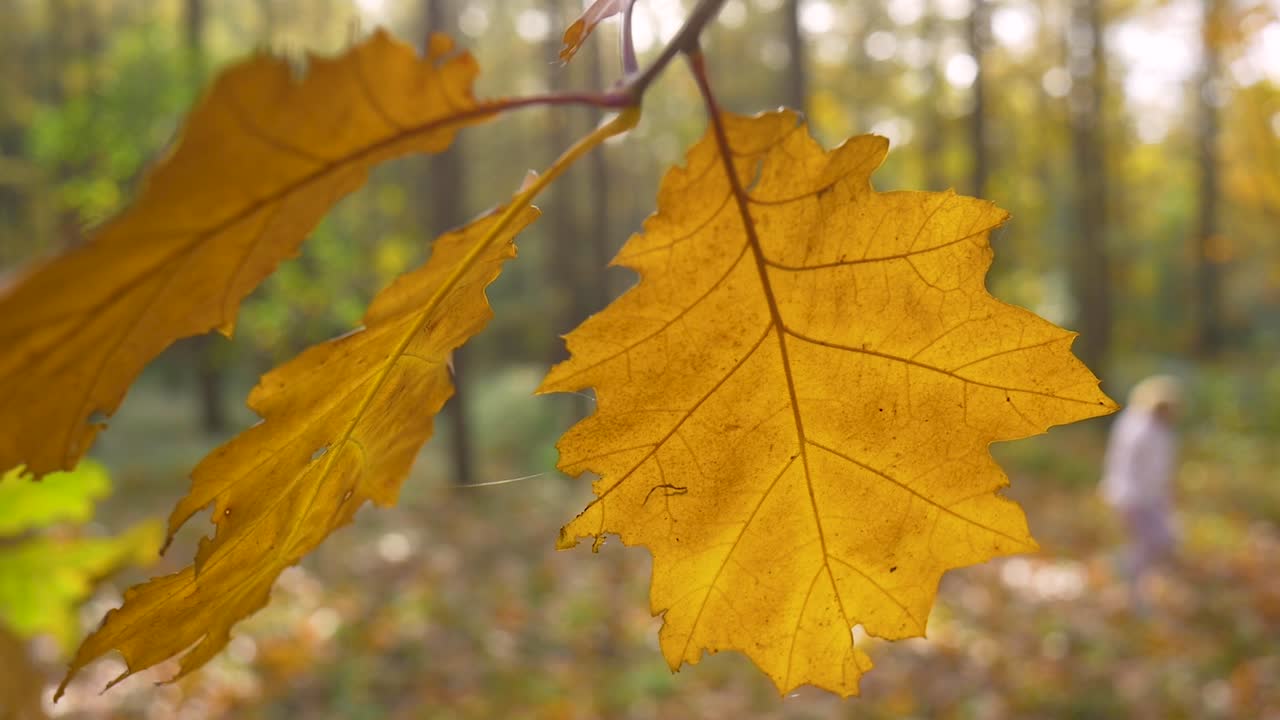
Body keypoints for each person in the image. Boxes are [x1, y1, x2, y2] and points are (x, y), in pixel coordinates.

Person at [1099, 375, 1183, 610]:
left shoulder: (1162, 431)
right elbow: (1125, 464)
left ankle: (1124, 569)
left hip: (1152, 497)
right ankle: (1133, 592)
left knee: (1162, 541)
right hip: (1132, 496)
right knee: (1147, 544)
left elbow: (1161, 469)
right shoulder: (1137, 426)